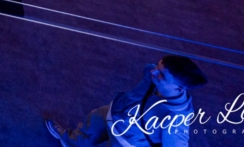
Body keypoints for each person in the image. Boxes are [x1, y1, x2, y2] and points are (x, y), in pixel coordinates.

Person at [45, 56, 206, 147]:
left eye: (161, 74)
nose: (153, 72)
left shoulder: (176, 119)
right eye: (157, 66)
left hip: (124, 141)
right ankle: (69, 141)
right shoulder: (153, 76)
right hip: (110, 114)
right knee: (85, 133)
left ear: (179, 88)